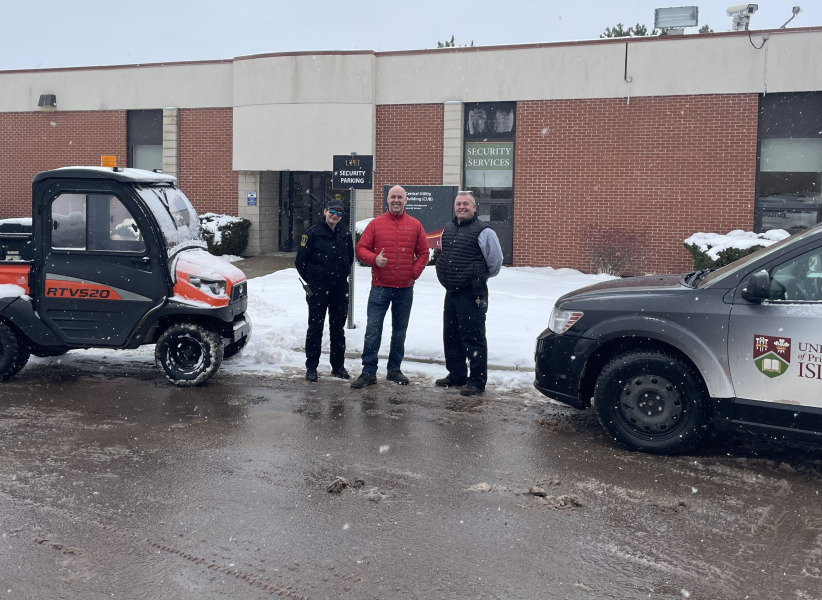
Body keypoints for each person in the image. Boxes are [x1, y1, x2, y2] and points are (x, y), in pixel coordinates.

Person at [351, 185, 430, 389]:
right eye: (393, 197)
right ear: (387, 200)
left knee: (399, 331)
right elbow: (360, 249)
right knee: (373, 331)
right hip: (380, 287)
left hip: (405, 288)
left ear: (406, 201)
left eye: (400, 197)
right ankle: (368, 371)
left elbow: (424, 253)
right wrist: (374, 259)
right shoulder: (376, 224)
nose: (396, 200)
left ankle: (394, 370)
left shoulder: (415, 225)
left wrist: (413, 273)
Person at [434, 191, 503, 396]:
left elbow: (495, 262)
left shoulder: (484, 231)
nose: (462, 207)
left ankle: (477, 380)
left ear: (474, 207)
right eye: (458, 203)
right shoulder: (449, 228)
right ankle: (456, 374)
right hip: (452, 292)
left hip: (473, 293)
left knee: (473, 337)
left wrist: (477, 278)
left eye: (466, 203)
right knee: (451, 335)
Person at [295, 198, 355, 382]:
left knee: (338, 329)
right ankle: (311, 367)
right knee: (315, 328)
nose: (335, 215)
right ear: (325, 211)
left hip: (339, 288)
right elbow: (300, 262)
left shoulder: (345, 233)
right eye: (332, 211)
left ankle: (338, 367)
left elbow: (349, 257)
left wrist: (339, 276)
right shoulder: (312, 234)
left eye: (339, 213)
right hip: (318, 289)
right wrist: (313, 280)